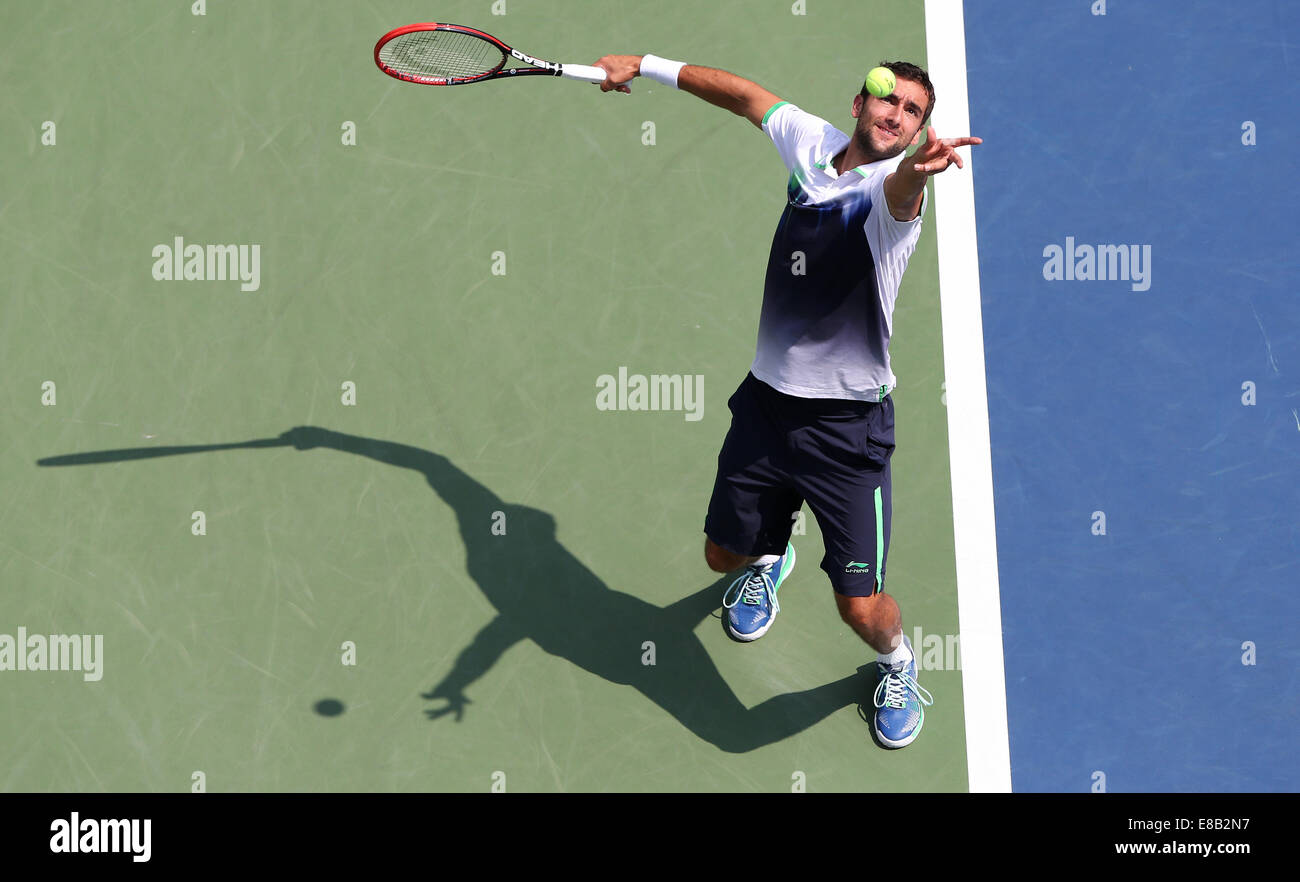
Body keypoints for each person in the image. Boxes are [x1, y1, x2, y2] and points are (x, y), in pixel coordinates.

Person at [591, 53, 979, 749]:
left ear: (921, 133)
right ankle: (771, 559)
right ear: (858, 105)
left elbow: (901, 189)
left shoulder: (888, 198)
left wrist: (918, 173)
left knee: (859, 609)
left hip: (846, 438)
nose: (898, 116)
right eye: (889, 101)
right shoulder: (809, 144)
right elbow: (742, 94)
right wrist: (642, 64)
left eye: (914, 113)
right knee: (719, 557)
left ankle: (896, 663)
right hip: (767, 412)